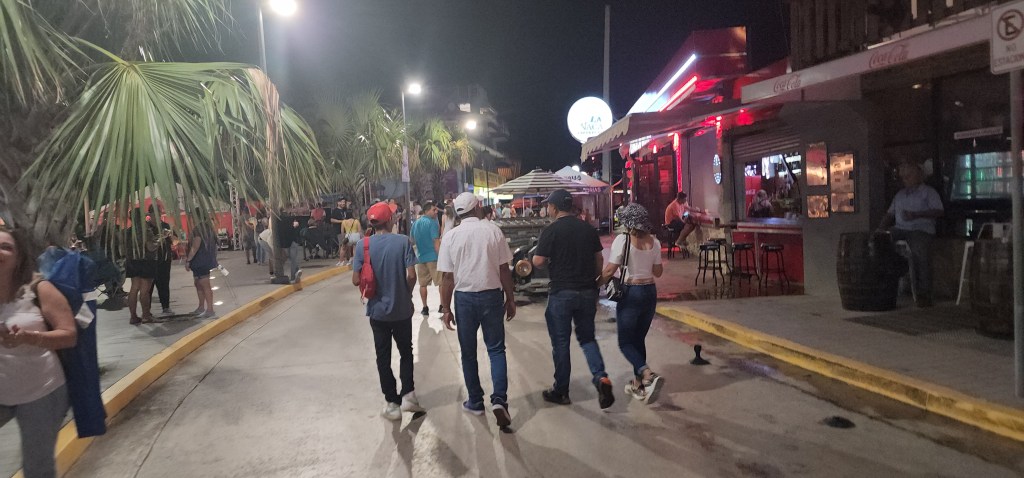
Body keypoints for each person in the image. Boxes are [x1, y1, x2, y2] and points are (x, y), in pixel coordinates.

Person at [0, 227, 78, 478]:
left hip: (41, 391)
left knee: (37, 468)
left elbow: (69, 335)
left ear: (19, 256)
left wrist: (28, 338)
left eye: (6, 247)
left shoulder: (39, 289)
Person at [437, 192, 515, 428]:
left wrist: (446, 308)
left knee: (468, 353)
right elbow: (504, 269)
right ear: (478, 207)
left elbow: (447, 278)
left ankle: (475, 401)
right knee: (496, 349)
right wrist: (510, 298)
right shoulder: (493, 231)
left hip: (464, 299)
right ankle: (499, 399)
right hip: (491, 296)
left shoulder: (451, 237)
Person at [532, 189, 614, 410]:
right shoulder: (588, 229)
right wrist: (594, 281)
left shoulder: (551, 230)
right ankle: (601, 377)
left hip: (561, 292)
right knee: (587, 338)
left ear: (555, 208)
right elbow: (599, 258)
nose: (547, 209)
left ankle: (561, 391)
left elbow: (538, 261)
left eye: (548, 205)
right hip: (587, 291)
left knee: (561, 343)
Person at [351, 202, 425, 421]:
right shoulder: (402, 242)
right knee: (406, 352)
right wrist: (406, 295)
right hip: (401, 310)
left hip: (377, 312)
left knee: (382, 356)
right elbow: (411, 275)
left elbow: (355, 280)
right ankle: (409, 395)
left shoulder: (362, 246)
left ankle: (392, 403)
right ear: (390, 220)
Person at [598, 203, 665, 403]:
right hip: (649, 292)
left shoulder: (623, 240)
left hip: (631, 293)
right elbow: (658, 272)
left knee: (625, 342)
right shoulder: (655, 242)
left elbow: (610, 270)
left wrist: (594, 284)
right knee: (638, 339)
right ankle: (639, 385)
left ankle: (647, 374)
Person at [877, 163, 943, 307]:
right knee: (880, 244)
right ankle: (884, 285)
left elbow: (938, 211)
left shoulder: (928, 192)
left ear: (919, 175)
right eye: (904, 178)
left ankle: (924, 294)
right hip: (900, 228)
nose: (905, 180)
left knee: (920, 253)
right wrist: (879, 231)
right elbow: (889, 214)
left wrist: (916, 215)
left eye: (909, 176)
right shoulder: (900, 195)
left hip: (921, 229)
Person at [125, 210, 159, 325]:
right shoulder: (146, 231)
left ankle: (133, 316)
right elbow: (150, 247)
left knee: (134, 288)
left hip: (132, 261)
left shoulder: (128, 231)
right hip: (146, 261)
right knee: (145, 290)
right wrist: (158, 242)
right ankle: (146, 315)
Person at [410, 201, 442, 315]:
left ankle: (425, 308)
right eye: (434, 210)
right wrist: (441, 256)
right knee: (441, 282)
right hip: (433, 257)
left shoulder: (415, 223)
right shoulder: (432, 223)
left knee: (423, 284)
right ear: (427, 211)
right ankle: (442, 305)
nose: (436, 212)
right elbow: (436, 241)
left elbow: (412, 239)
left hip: (421, 257)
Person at [185, 216, 219, 319]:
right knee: (198, 283)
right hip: (205, 260)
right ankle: (201, 307)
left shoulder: (199, 230)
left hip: (200, 261)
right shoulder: (209, 229)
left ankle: (209, 309)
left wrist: (188, 260)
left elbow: (195, 246)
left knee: (204, 285)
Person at [148, 210, 177, 316]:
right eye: (154, 214)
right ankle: (147, 310)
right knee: (148, 286)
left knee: (164, 283)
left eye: (158, 214)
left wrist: (170, 235)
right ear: (150, 215)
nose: (156, 216)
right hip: (150, 261)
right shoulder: (147, 227)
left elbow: (175, 241)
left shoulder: (166, 226)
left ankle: (166, 307)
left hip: (164, 260)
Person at [276, 214, 303, 283]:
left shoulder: (278, 223)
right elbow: (297, 225)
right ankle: (294, 275)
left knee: (291, 259)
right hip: (293, 241)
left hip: (285, 244)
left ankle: (296, 272)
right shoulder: (291, 221)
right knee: (293, 259)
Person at [330, 198, 350, 263]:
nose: (343, 203)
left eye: (344, 202)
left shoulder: (345, 210)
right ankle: (341, 260)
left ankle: (349, 258)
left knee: (348, 244)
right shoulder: (335, 211)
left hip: (347, 230)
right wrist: (341, 221)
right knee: (342, 245)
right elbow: (332, 220)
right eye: (342, 202)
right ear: (338, 203)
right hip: (338, 230)